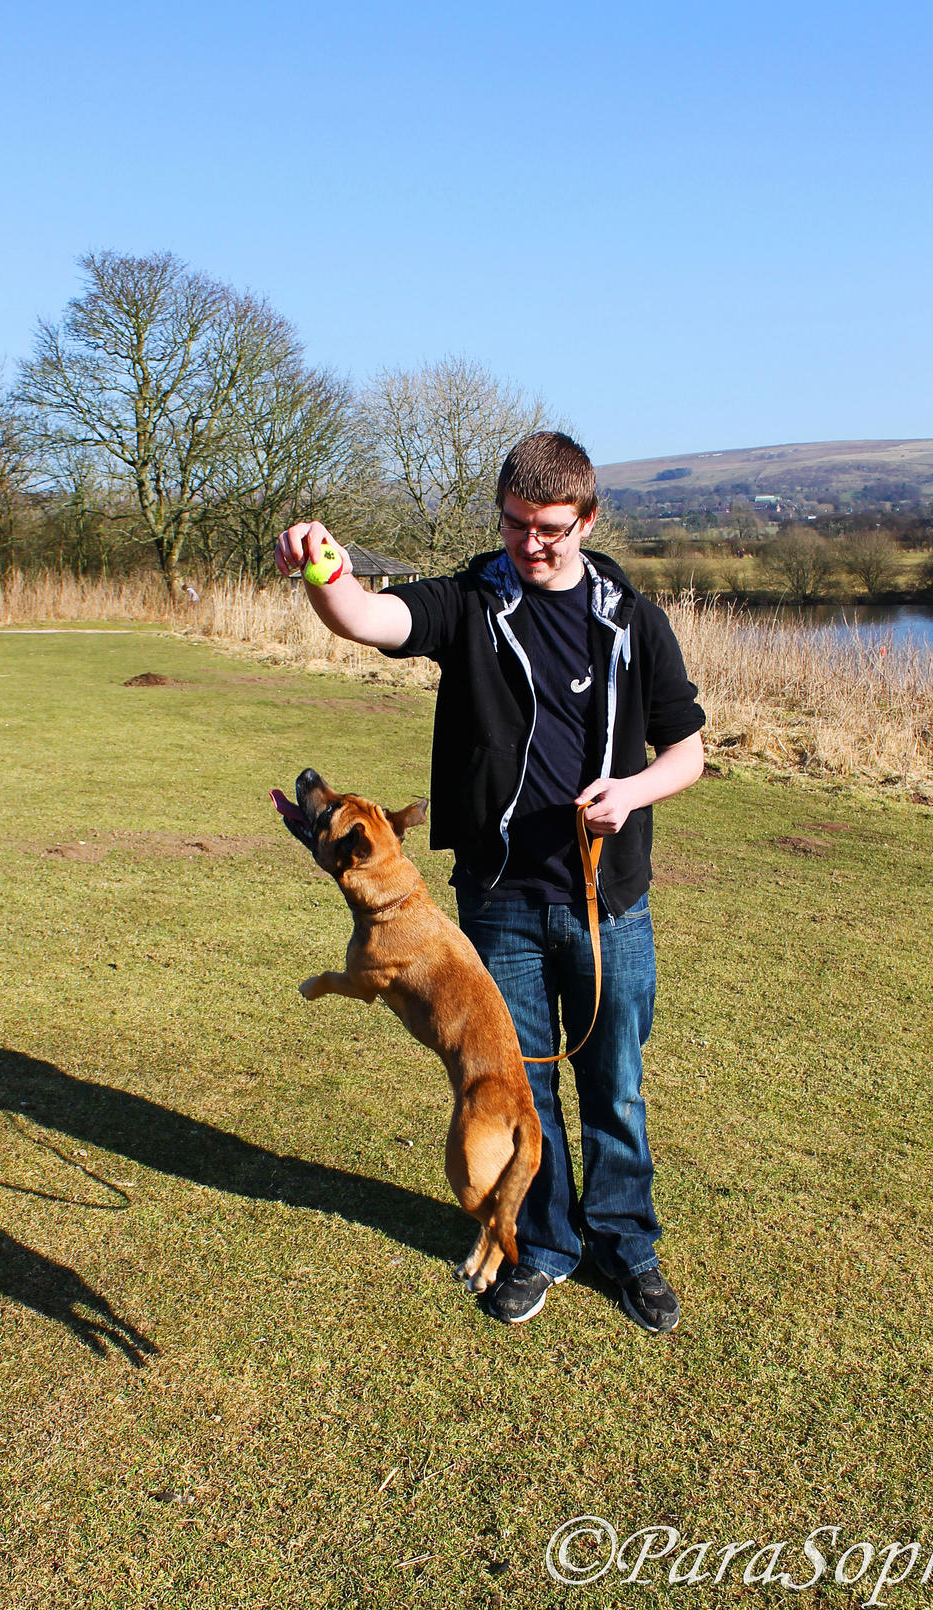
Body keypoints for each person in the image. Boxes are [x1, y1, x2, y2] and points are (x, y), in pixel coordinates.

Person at [275, 432, 705, 1332]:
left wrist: (631, 792)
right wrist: (324, 574)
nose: (530, 545)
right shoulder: (474, 598)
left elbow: (689, 752)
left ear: (587, 518)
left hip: (606, 899)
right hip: (498, 903)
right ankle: (542, 1246)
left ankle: (627, 1247)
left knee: (614, 1086)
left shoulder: (633, 619)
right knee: (518, 1089)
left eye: (549, 529)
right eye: (515, 525)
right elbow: (370, 619)